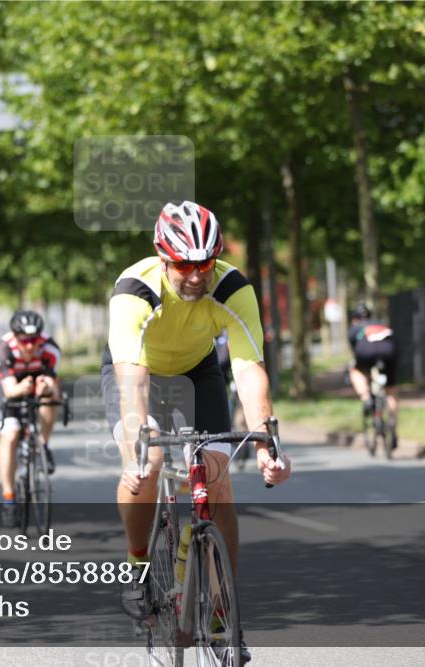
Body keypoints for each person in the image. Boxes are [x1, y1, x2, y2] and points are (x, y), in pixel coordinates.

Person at [104, 200, 292, 660]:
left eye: (204, 263)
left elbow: (248, 370)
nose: (195, 275)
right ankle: (139, 565)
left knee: (217, 476)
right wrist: (135, 446)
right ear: (162, 256)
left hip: (197, 371)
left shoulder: (231, 288)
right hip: (135, 372)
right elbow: (133, 382)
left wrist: (267, 442)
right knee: (147, 462)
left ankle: (220, 609)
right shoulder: (134, 290)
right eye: (184, 264)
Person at [0, 310, 62, 528]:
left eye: (34, 341)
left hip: (36, 382)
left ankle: (43, 443)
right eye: (25, 341)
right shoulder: (4, 348)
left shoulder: (50, 348)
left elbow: (54, 387)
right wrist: (21, 388)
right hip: (11, 387)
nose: (30, 346)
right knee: (10, 436)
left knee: (50, 399)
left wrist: (46, 387)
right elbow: (9, 390)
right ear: (15, 337)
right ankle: (9, 498)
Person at [347, 303, 398, 448]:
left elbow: (355, 350)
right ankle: (393, 422)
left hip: (366, 349)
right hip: (389, 350)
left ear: (354, 319)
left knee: (355, 370)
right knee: (391, 390)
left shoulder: (355, 328)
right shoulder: (381, 324)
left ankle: (367, 398)